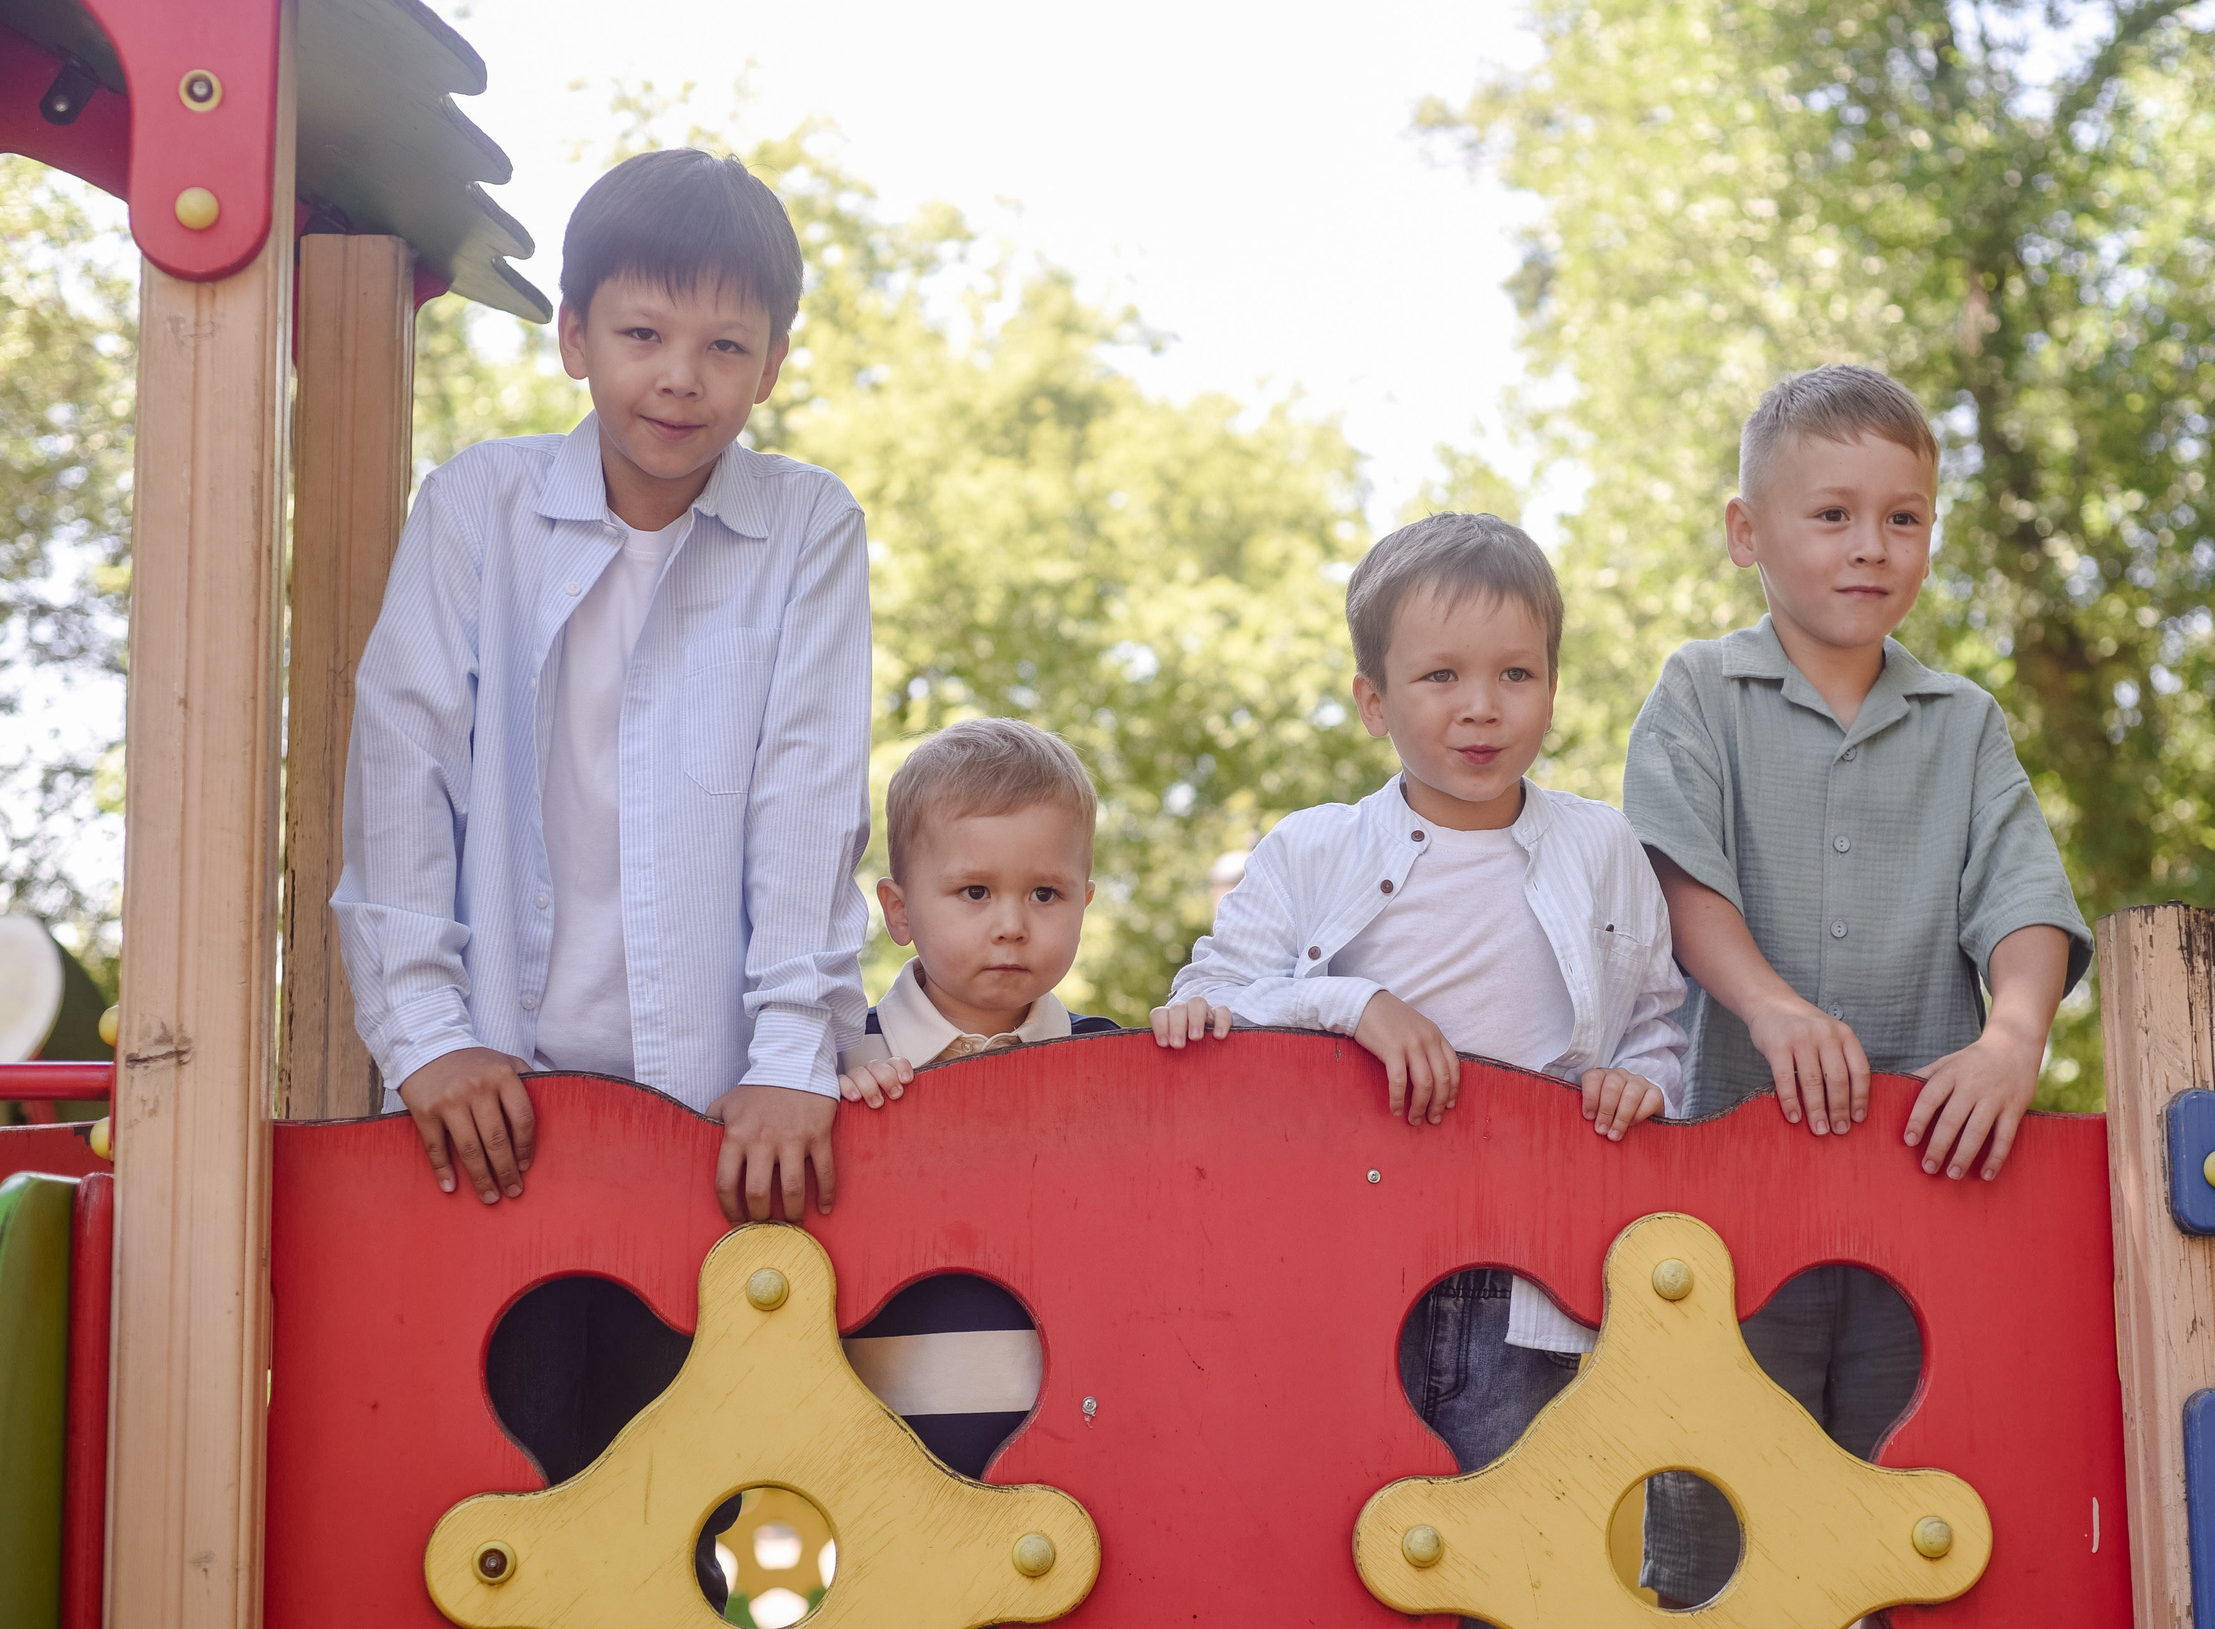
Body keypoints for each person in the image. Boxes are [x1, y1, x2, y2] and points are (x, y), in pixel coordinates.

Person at [333, 150, 872, 1579]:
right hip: (493, 1095)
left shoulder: (805, 526)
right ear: (574, 335)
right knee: (488, 1482)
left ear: (772, 366)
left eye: (726, 346)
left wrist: (793, 1050)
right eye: (642, 332)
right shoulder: (483, 506)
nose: (679, 377)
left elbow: (808, 789)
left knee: (694, 1500)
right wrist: (427, 1032)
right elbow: (405, 762)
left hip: (714, 1110)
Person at [1621, 363, 2092, 1609]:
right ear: (1746, 532)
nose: (1870, 545)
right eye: (1831, 514)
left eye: (1903, 516)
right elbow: (1676, 878)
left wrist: (2011, 1036)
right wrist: (1769, 1003)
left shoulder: (1964, 721)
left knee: (1913, 1514)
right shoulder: (1696, 693)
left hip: (1926, 1196)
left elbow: (2025, 900)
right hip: (1729, 1200)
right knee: (1720, 1523)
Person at [1153, 511, 1688, 1479]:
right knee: (1331, 1511)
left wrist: (1641, 1079)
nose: (1481, 707)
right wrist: (1350, 1002)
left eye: (1515, 673)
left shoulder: (1602, 847)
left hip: (1527, 1275)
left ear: (1552, 688)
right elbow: (1208, 1003)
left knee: (1508, 1528)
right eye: (1441, 675)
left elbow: (1656, 1020)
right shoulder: (1311, 849)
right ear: (1374, 700)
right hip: (1345, 1258)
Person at [834, 719, 1120, 1476]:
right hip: (885, 1464)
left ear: (1085, 902)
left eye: (1045, 893)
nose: (1012, 925)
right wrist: (842, 1122)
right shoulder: (846, 1066)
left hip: (1078, 1451)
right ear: (899, 911)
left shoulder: (1111, 1071)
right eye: (975, 892)